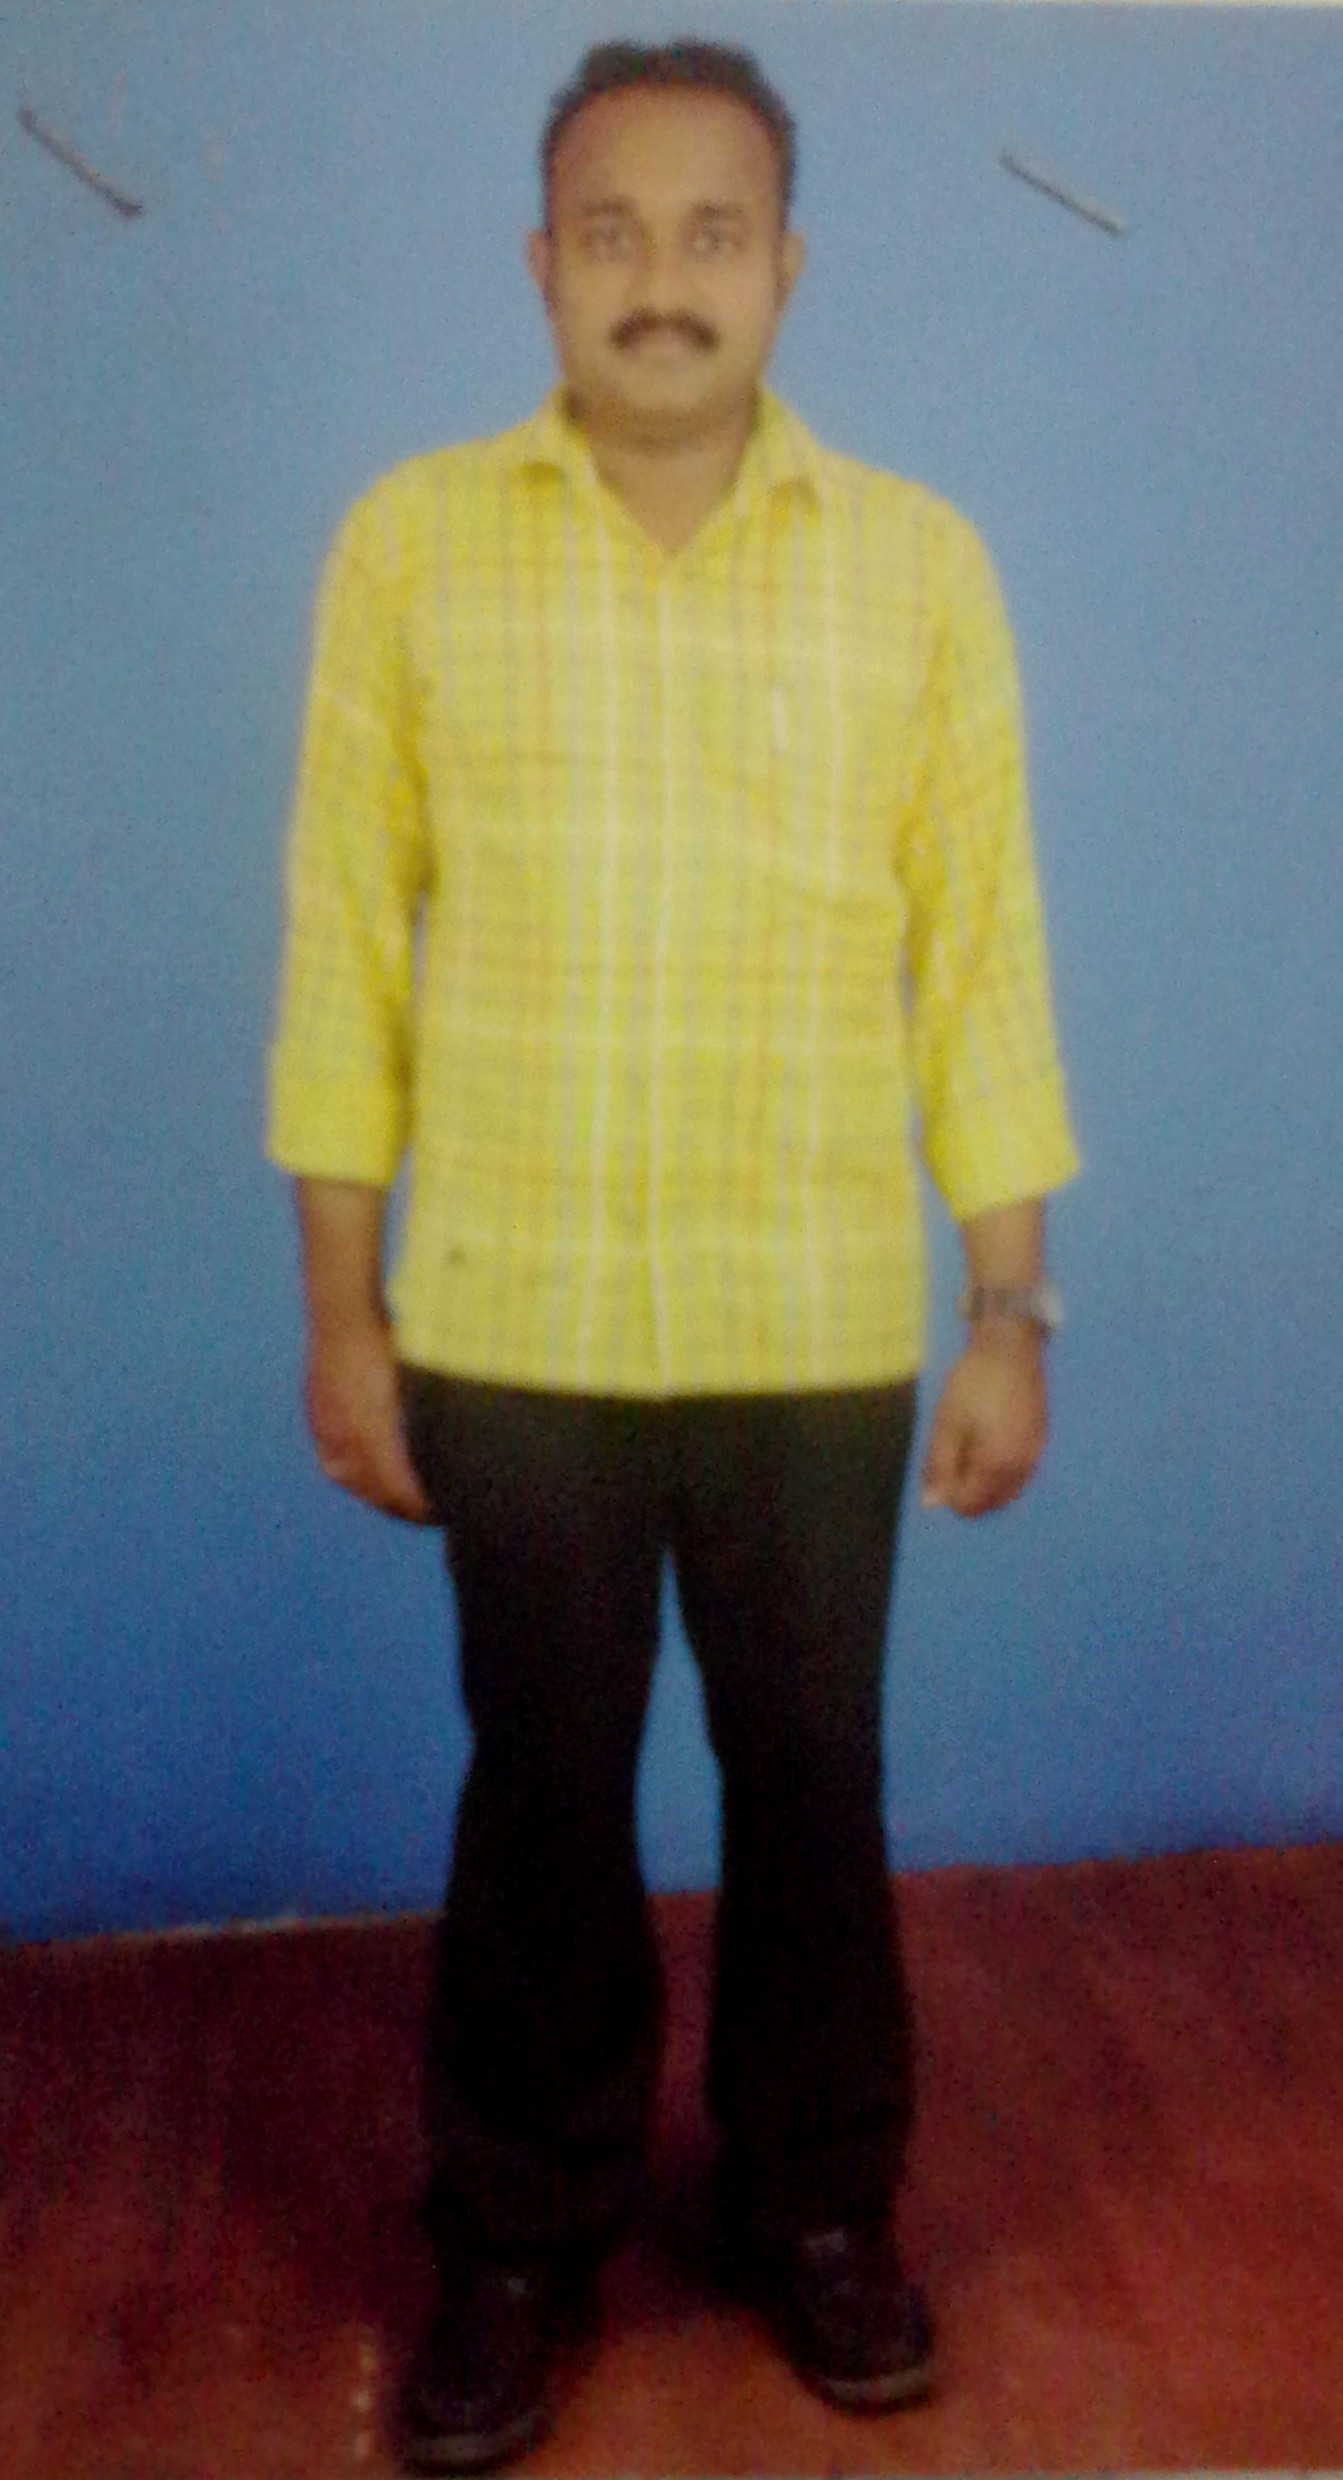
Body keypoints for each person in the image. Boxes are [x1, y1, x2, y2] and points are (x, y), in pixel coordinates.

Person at [268, 37, 1079, 2474]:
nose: (661, 282)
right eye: (610, 233)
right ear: (541, 266)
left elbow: (981, 959)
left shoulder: (917, 566)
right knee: (541, 1785)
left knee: (813, 1778)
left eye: (712, 233)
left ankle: (814, 2207)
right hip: (509, 1316)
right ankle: (518, 2237)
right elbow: (343, 949)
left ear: (786, 269)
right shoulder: (413, 545)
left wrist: (1010, 1307)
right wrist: (340, 1310)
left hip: (808, 1321)